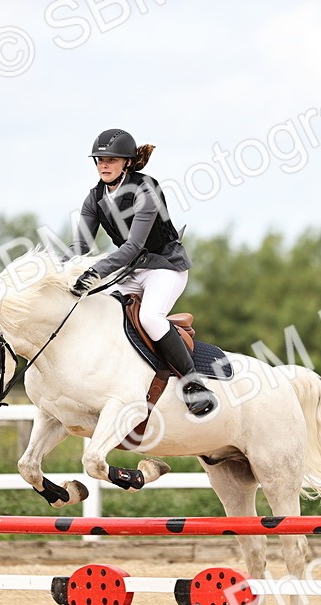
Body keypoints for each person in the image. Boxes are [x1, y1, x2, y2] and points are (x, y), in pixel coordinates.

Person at [66, 128, 216, 417]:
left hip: (165, 267)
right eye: (99, 160)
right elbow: (80, 245)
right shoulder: (94, 197)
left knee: (149, 317)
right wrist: (54, 270)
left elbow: (134, 246)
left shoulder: (145, 190)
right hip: (132, 270)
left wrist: (96, 271)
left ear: (127, 163)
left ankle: (193, 383)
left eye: (111, 160)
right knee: (99, 311)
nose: (103, 166)